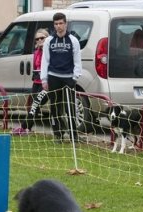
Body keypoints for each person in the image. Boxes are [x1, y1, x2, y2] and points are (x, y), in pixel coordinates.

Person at [40, 12, 82, 142]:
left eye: (61, 23)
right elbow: (45, 60)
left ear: (66, 24)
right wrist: (44, 79)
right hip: (53, 77)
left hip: (68, 78)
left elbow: (77, 61)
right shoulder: (49, 41)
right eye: (56, 24)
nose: (59, 26)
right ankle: (58, 134)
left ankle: (73, 135)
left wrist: (75, 78)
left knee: (70, 107)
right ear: (54, 25)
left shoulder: (73, 41)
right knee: (55, 108)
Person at [13, 28, 50, 135]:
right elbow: (35, 67)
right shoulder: (37, 52)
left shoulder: (49, 52)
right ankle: (27, 128)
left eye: (42, 38)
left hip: (47, 83)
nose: (39, 40)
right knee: (32, 106)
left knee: (36, 105)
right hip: (37, 82)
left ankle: (24, 127)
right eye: (37, 39)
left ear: (47, 38)